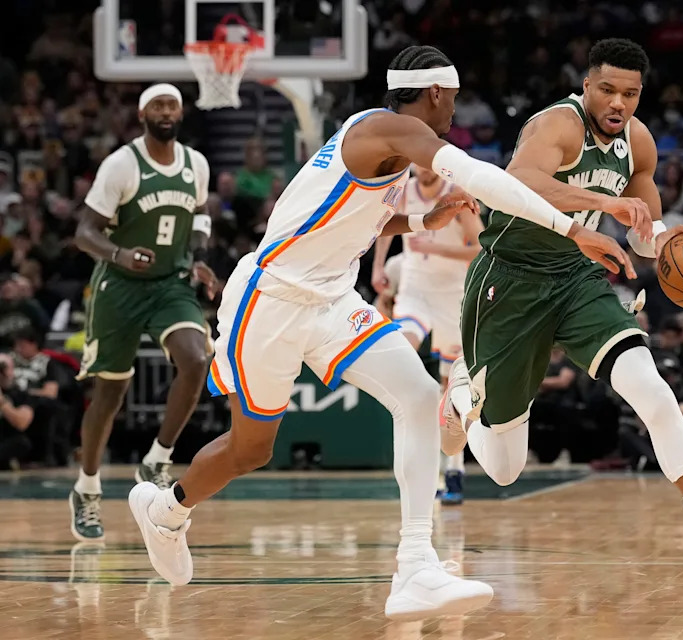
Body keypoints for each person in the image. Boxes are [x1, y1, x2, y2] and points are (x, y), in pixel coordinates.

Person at [127, 45, 631, 621]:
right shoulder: (388, 129)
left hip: (333, 298)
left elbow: (363, 212)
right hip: (270, 300)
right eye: (454, 103)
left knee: (418, 396)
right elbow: (481, 177)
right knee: (252, 449)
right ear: (438, 94)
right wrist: (573, 227)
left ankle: (415, 566)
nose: (455, 117)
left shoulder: (382, 140)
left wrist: (421, 219)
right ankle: (167, 510)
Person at [441, 38, 683, 610]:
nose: (618, 101)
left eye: (629, 93)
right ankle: (462, 397)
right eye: (607, 88)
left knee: (654, 393)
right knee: (505, 470)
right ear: (587, 85)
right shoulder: (557, 126)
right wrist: (602, 206)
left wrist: (671, 238)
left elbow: (642, 226)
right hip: (507, 282)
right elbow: (520, 180)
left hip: (577, 278)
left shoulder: (638, 143)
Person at [71, 84, 218, 542]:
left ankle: (157, 457)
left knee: (196, 358)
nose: (166, 112)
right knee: (110, 395)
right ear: (142, 114)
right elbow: (84, 232)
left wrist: (197, 256)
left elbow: (199, 217)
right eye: (158, 105)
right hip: (119, 288)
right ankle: (87, 488)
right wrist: (118, 254)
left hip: (170, 285)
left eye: (172, 105)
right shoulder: (121, 164)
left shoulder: (196, 163)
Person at [371, 165, 485, 505]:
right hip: (415, 289)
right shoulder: (403, 189)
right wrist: (378, 267)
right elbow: (384, 226)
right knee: (404, 357)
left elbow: (481, 248)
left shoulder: (458, 193)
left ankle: (455, 469)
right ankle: (420, 463)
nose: (420, 168)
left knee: (453, 388)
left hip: (452, 293)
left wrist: (436, 249)